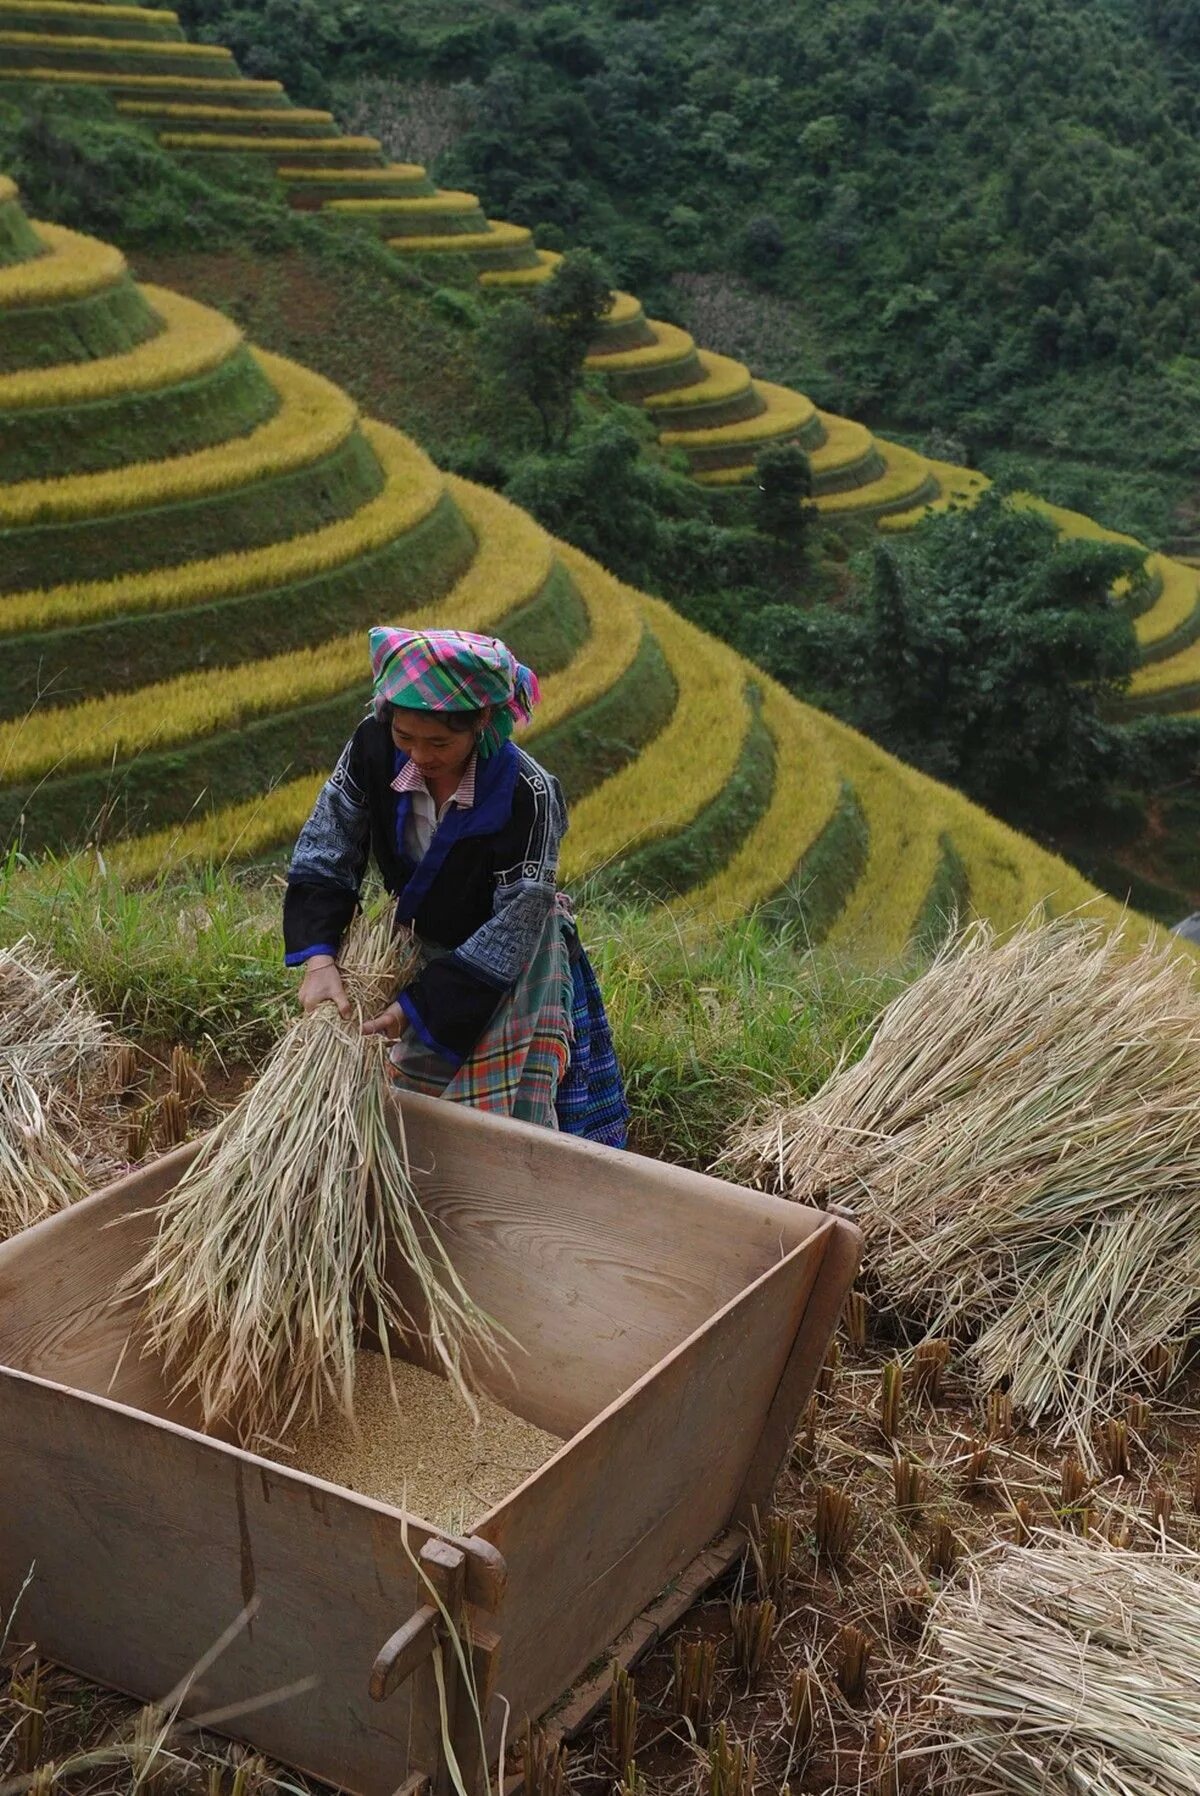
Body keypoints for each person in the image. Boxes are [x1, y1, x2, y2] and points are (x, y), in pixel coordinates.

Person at [283, 625, 629, 1147]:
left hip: (506, 959)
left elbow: (513, 923)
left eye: (440, 742)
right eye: (406, 737)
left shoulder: (527, 794)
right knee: (393, 1099)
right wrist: (319, 960)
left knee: (503, 1115)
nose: (420, 756)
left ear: (482, 722)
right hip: (414, 936)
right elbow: (327, 845)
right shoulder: (371, 747)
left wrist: (414, 1010)